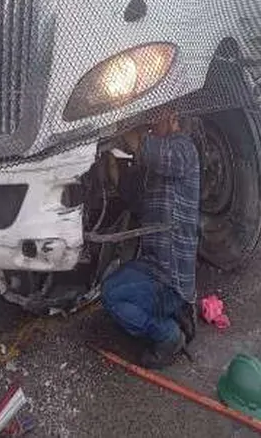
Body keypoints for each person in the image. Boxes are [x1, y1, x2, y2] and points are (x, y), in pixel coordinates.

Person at [101, 108, 201, 369]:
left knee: (112, 296)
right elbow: (133, 195)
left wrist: (125, 126)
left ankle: (168, 334)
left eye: (154, 121)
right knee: (113, 284)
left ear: (172, 118)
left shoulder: (184, 150)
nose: (149, 128)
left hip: (170, 277)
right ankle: (174, 313)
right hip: (154, 267)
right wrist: (111, 162)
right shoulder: (154, 166)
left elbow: (152, 151)